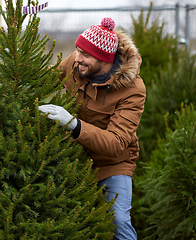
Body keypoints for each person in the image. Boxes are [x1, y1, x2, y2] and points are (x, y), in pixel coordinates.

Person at [38, 17, 146, 240]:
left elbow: (116, 143)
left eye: (85, 54)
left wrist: (73, 124)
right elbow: (45, 79)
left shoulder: (133, 89)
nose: (77, 59)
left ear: (105, 59)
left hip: (113, 164)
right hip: (75, 156)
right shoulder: (77, 64)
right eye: (77, 51)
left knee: (117, 220)